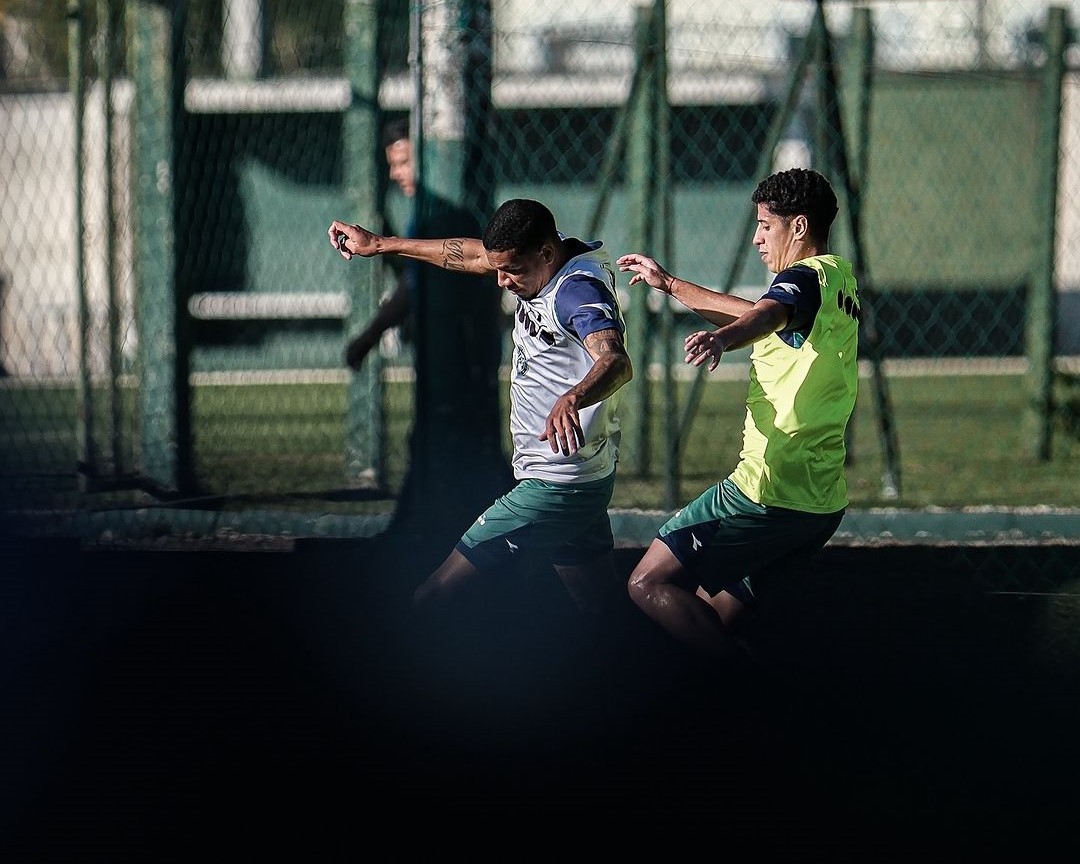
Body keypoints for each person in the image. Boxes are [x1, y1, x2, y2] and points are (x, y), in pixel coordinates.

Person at [328, 198, 633, 618]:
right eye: (499, 268)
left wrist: (574, 396)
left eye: (511, 271)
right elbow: (471, 255)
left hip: (554, 485)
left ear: (545, 254)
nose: (501, 281)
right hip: (579, 476)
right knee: (604, 613)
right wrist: (380, 244)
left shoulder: (576, 292)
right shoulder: (546, 256)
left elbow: (615, 361)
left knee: (432, 595)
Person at [616, 167, 859, 664]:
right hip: (820, 500)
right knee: (709, 619)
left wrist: (723, 339)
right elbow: (758, 311)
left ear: (798, 227)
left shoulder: (800, 280)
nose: (756, 238)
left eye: (766, 225)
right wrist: (669, 284)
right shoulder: (837, 278)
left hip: (765, 489)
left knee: (648, 583)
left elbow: (762, 316)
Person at [344, 117, 416, 370]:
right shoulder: (420, 212)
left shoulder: (440, 214)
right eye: (392, 165)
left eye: (404, 163)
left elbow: (411, 286)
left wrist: (370, 334)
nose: (394, 173)